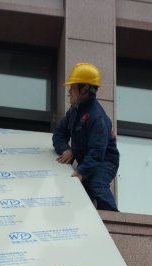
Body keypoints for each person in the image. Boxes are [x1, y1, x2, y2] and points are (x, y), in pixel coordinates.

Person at [52, 62, 119, 211]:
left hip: (105, 162)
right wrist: (66, 149)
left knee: (97, 184)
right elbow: (59, 134)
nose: (69, 91)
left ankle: (114, 219)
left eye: (73, 87)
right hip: (88, 162)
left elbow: (97, 151)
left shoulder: (97, 117)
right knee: (81, 195)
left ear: (85, 89)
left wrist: (81, 171)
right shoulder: (74, 111)